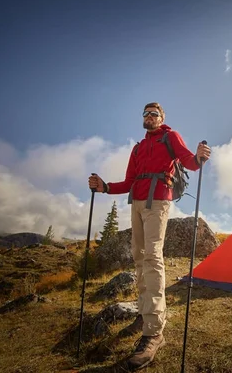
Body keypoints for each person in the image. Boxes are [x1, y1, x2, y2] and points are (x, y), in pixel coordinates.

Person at [88, 102, 211, 370]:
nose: (149, 117)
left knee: (153, 256)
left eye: (154, 113)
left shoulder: (171, 136)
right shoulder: (138, 148)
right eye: (145, 114)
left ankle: (154, 331)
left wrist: (200, 157)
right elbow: (129, 181)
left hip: (158, 201)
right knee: (139, 257)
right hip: (137, 203)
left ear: (161, 118)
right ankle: (146, 313)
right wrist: (105, 186)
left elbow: (189, 161)